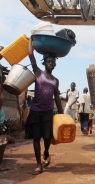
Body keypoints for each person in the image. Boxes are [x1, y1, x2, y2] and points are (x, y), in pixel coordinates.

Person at [25, 39, 63, 175]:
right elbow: (31, 56)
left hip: (48, 112)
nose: (51, 64)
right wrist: (31, 41)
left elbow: (57, 97)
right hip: (35, 111)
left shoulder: (55, 80)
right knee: (36, 138)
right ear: (44, 63)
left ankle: (46, 152)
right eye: (49, 62)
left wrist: (62, 113)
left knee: (47, 138)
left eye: (53, 62)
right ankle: (38, 164)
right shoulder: (38, 73)